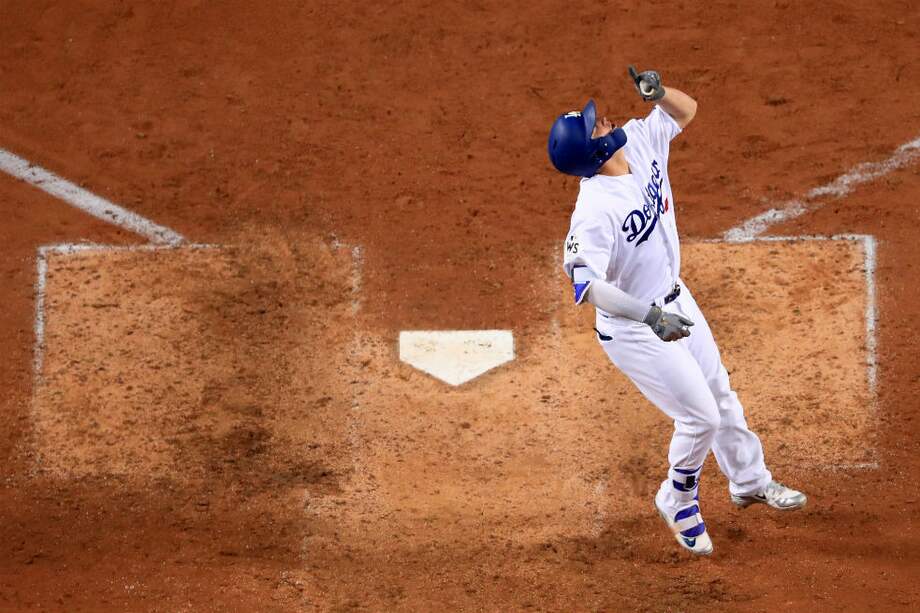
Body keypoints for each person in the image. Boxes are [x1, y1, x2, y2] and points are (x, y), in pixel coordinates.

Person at [548, 66, 806, 556]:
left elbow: (685, 112)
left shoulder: (639, 142)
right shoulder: (594, 213)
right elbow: (588, 287)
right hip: (635, 328)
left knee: (720, 394)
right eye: (595, 126)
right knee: (700, 418)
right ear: (593, 153)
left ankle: (750, 482)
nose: (604, 121)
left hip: (676, 297)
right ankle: (677, 498)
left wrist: (661, 93)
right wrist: (651, 317)